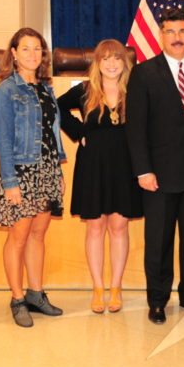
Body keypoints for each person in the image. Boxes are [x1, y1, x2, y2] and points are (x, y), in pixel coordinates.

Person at [125, 7, 184, 324]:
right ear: (160, 35)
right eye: (170, 32)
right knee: (158, 242)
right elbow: (135, 127)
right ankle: (157, 300)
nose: (177, 37)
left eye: (182, 31)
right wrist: (143, 170)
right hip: (158, 176)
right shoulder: (144, 73)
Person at [59, 39, 142, 314]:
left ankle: (116, 287)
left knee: (119, 227)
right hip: (93, 165)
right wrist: (79, 132)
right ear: (97, 62)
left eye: (117, 58)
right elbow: (55, 108)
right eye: (105, 58)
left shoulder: (135, 89)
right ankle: (97, 288)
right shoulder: (84, 90)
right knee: (95, 227)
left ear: (124, 62)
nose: (111, 63)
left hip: (125, 165)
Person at [0, 27, 65, 328]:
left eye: (38, 49)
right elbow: (3, 140)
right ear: (13, 54)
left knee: (37, 235)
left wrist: (57, 169)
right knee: (18, 238)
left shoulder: (46, 89)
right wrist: (10, 182)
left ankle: (36, 294)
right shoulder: (6, 91)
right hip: (21, 171)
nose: (33, 54)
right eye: (26, 49)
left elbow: (51, 132)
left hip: (46, 170)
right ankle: (18, 297)